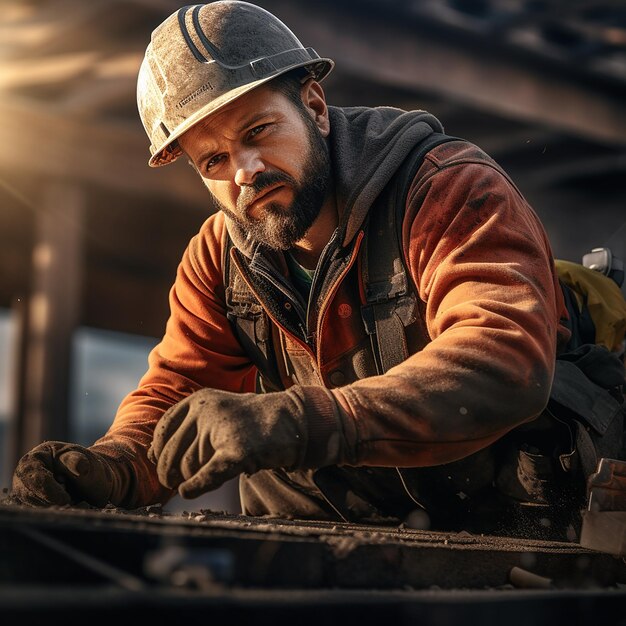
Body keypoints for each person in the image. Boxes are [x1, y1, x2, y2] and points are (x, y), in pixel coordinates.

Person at [11, 1, 622, 538]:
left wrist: (301, 418)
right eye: (214, 160)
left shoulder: (446, 189)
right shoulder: (218, 257)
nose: (244, 170)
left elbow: (503, 358)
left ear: (315, 106)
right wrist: (114, 468)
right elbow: (176, 392)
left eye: (259, 131)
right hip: (351, 538)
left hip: (523, 522)